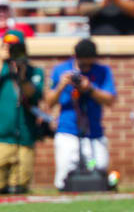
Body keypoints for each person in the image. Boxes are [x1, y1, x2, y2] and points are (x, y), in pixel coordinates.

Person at [46, 38, 117, 190]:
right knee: (64, 176)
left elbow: (110, 100)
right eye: (83, 64)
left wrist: (90, 89)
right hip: (68, 132)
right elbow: (49, 101)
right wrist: (61, 85)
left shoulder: (102, 71)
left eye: (89, 64)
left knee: (98, 168)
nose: (86, 68)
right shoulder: (60, 69)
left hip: (93, 133)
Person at [0, 30, 44, 194]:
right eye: (7, 46)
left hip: (24, 139)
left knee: (19, 189)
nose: (11, 50)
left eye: (15, 47)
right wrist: (0, 61)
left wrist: (21, 74)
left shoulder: (34, 72)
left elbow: (32, 95)